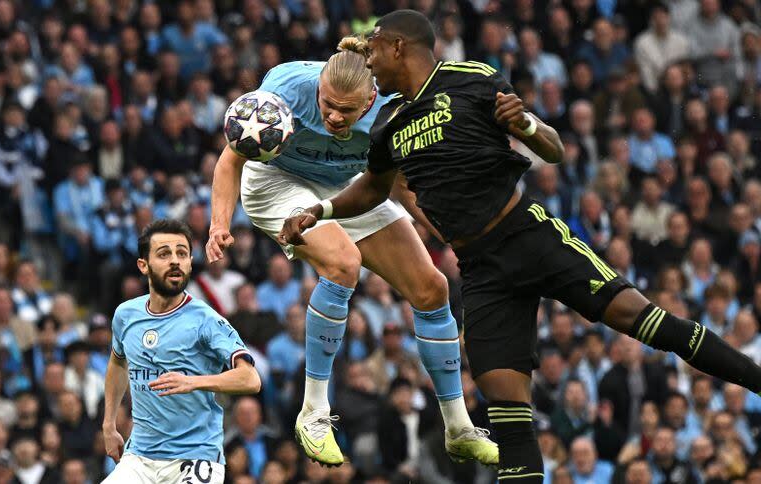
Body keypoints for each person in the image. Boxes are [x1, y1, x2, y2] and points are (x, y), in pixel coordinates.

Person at [279, 10, 761, 482]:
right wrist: (318, 211)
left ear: (398, 47)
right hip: (481, 271)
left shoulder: (472, 78)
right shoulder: (387, 123)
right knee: (509, 421)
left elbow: (553, 149)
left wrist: (528, 125)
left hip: (529, 235)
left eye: (375, 47)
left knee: (647, 322)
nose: (369, 59)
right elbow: (372, 189)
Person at [206, 37, 496, 466]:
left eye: (347, 110)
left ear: (371, 97)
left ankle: (457, 427)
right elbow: (233, 159)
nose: (334, 116)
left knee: (432, 288)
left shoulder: (396, 110)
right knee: (344, 263)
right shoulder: (285, 88)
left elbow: (402, 185)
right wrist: (219, 225)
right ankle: (314, 414)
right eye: (328, 104)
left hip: (349, 187)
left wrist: (456, 238)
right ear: (319, 85)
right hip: (276, 183)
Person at [102, 220, 261, 483]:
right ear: (144, 265)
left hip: (195, 457)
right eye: (164, 254)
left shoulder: (206, 320)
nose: (175, 261)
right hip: (140, 456)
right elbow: (118, 363)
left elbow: (250, 378)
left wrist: (193, 382)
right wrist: (109, 424)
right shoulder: (126, 315)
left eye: (182, 254)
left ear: (189, 263)